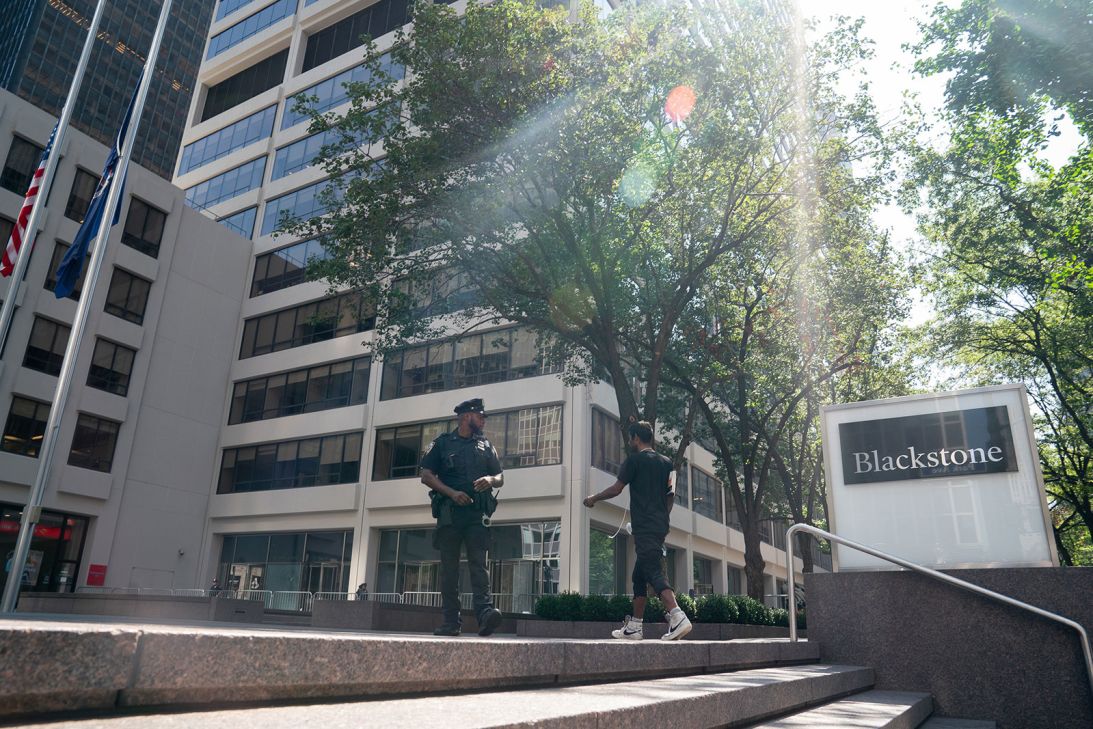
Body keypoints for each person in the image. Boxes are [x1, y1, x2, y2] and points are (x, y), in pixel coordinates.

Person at [583, 420, 692, 641]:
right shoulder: (668, 463)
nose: (630, 442)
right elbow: (670, 495)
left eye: (630, 438)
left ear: (635, 438)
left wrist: (593, 498)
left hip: (644, 526)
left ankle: (677, 615)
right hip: (660, 525)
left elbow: (616, 489)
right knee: (639, 576)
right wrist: (661, 518)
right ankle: (635, 626)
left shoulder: (633, 461)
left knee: (653, 570)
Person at [421, 397, 504, 637]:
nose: (483, 421)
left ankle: (485, 615)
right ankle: (450, 622)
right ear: (466, 417)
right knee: (450, 569)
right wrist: (452, 493)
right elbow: (426, 475)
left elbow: (500, 477)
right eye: (480, 416)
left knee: (479, 565)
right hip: (450, 514)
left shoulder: (486, 445)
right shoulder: (442, 443)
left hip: (477, 514)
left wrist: (490, 479)